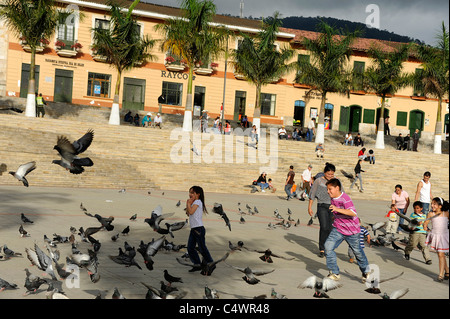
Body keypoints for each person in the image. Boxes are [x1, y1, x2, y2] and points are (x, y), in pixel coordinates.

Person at [324, 178, 370, 281]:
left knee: (358, 252)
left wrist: (337, 209)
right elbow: (339, 211)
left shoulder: (345, 198)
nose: (328, 191)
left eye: (330, 189)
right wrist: (335, 216)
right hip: (338, 229)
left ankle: (365, 271)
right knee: (327, 247)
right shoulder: (332, 198)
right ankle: (335, 273)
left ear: (337, 188)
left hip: (352, 231)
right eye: (327, 189)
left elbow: (353, 213)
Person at [308, 163, 339, 257]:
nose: (330, 176)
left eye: (332, 174)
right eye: (329, 174)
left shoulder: (336, 181)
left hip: (333, 207)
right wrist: (309, 207)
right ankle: (322, 248)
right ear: (324, 173)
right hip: (321, 206)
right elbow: (312, 194)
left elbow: (342, 194)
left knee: (330, 228)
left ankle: (327, 248)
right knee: (324, 226)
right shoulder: (318, 181)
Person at [185, 186, 215, 275]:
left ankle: (211, 262)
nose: (190, 194)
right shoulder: (194, 202)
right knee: (190, 247)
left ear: (198, 194)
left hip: (198, 229)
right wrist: (188, 204)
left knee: (202, 248)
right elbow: (188, 213)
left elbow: (190, 212)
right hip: (194, 229)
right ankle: (197, 264)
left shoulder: (198, 202)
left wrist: (188, 204)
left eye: (192, 193)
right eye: (189, 192)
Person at [424, 197, 449, 282]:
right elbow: (426, 223)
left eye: (434, 204)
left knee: (441, 255)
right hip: (435, 236)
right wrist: (425, 227)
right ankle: (447, 272)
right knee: (441, 254)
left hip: (444, 236)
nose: (432, 205)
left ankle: (441, 275)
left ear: (440, 206)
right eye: (432, 203)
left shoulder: (446, 214)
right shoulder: (430, 214)